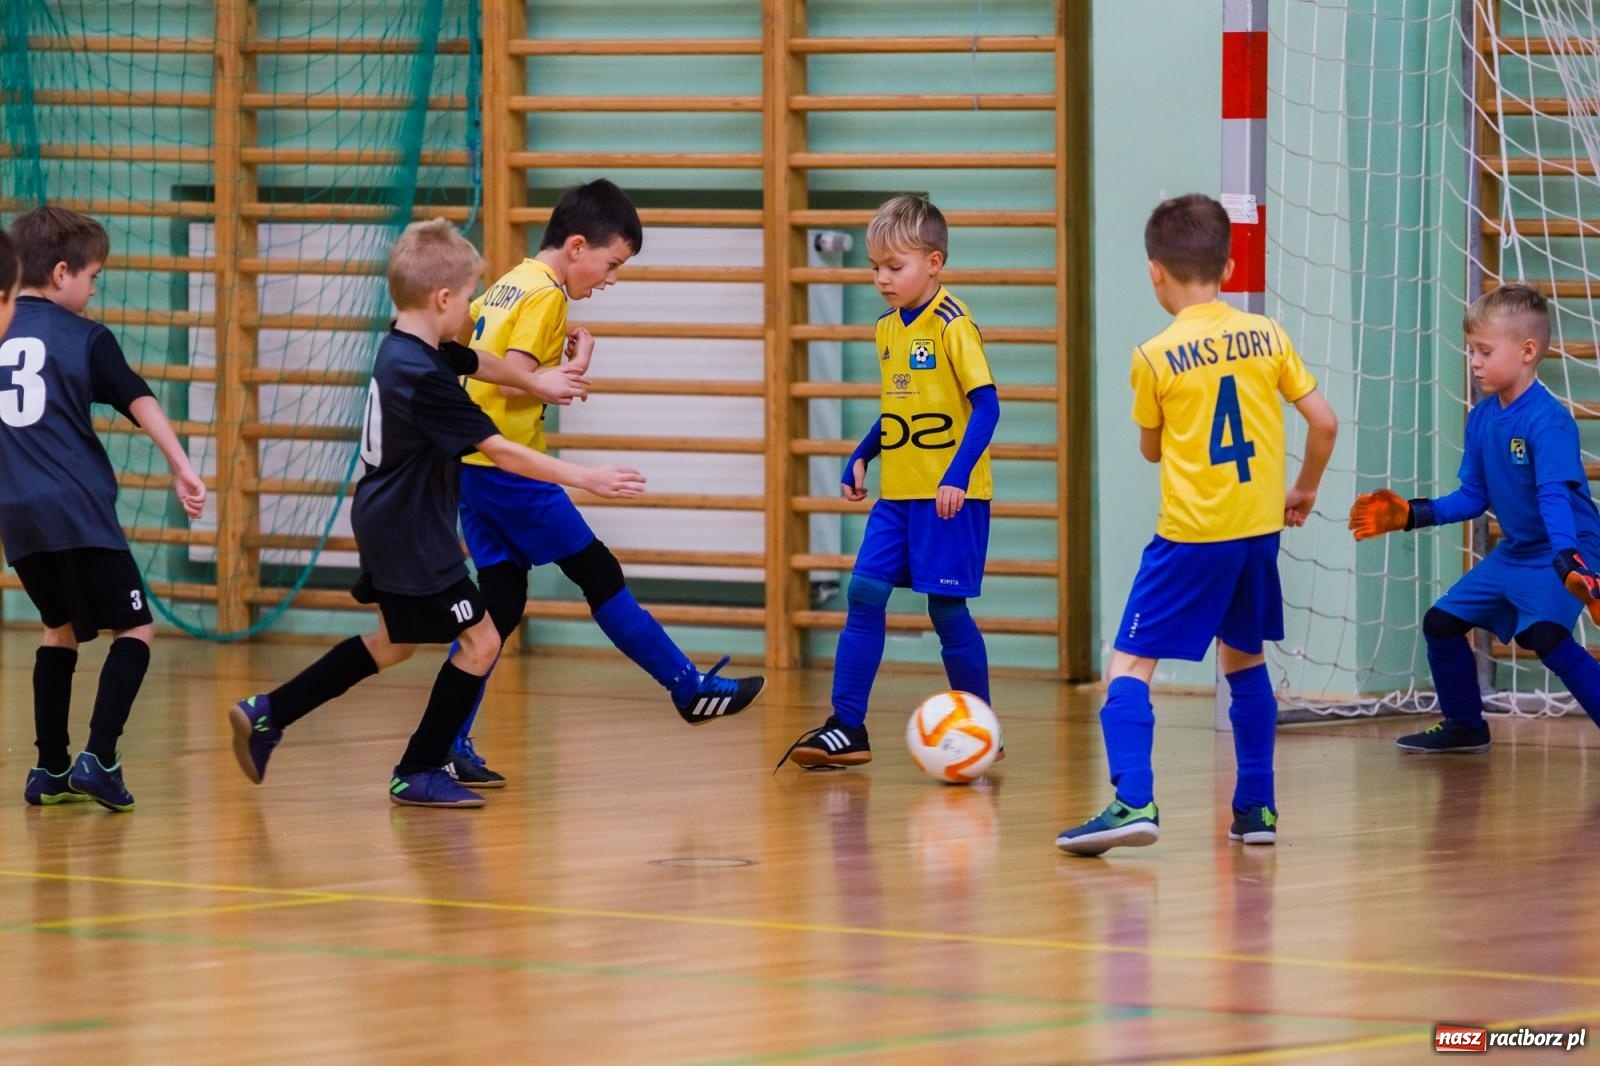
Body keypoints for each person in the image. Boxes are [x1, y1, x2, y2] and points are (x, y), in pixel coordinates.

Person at [227, 219, 644, 808]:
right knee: (480, 641)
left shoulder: (405, 346)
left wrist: (538, 382)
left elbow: (475, 359)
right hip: (413, 532)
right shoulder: (425, 380)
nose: (475, 306)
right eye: (470, 295)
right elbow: (499, 450)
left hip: (385, 518)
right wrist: (587, 478)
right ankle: (419, 768)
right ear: (443, 298)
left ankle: (269, 713)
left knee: (394, 642)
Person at [443, 178, 763, 787]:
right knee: (599, 572)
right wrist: (575, 367)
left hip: (476, 468)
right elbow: (513, 381)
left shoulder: (512, 280)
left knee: (501, 606)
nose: (610, 279)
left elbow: (472, 353)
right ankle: (687, 687)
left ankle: (450, 738)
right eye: (612, 264)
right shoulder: (549, 297)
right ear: (578, 245)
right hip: (511, 471)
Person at [1056, 193, 1338, 855]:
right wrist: (1304, 488)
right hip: (1256, 533)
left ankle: (1132, 799)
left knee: (1128, 662)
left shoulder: (1154, 355)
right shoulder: (1267, 333)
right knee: (1244, 661)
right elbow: (1323, 422)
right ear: (1230, 266)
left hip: (1190, 535)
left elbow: (1152, 449)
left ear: (1155, 271)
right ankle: (1257, 810)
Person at [778, 194, 999, 770]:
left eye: (893, 268)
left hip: (951, 498)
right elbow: (897, 407)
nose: (881, 279)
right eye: (875, 268)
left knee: (946, 611)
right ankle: (846, 726)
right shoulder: (886, 329)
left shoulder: (954, 324)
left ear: (934, 261)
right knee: (864, 592)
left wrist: (956, 475)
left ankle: (982, 727)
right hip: (899, 497)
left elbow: (988, 407)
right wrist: (863, 454)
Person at [2, 206, 207, 811]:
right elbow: (137, 398)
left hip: (17, 514)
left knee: (57, 628)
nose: (94, 289)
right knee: (137, 626)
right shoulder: (84, 337)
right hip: (78, 509)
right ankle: (100, 756)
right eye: (93, 276)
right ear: (62, 273)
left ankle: (48, 768)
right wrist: (182, 464)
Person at [1349, 283, 1600, 752]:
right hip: (1518, 552)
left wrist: (1569, 561)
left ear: (1527, 351)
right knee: (1441, 624)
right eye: (1472, 352)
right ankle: (1465, 726)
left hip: (1567, 547)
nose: (1475, 362)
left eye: (1485, 351)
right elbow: (1472, 497)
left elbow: (1554, 498)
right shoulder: (1483, 418)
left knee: (1546, 636)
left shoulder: (1549, 421)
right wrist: (1411, 514)